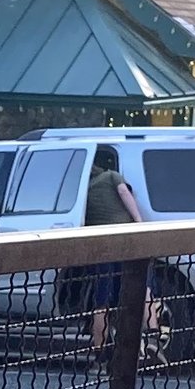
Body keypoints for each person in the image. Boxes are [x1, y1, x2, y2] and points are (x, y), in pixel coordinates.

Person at [78, 144, 145, 354]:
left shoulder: (82, 189)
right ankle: (151, 335)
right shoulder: (112, 176)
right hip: (124, 243)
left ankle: (99, 350)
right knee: (143, 287)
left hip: (98, 246)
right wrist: (139, 221)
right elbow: (124, 192)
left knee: (102, 300)